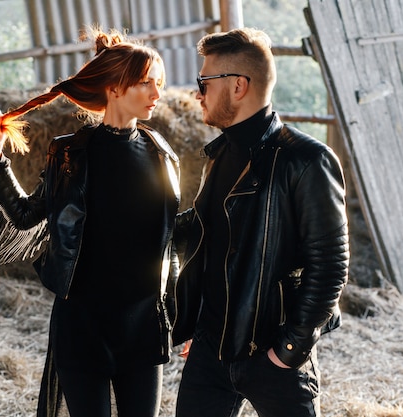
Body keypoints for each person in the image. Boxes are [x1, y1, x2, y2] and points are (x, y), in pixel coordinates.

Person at [0, 27, 181, 417]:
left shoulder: (162, 153)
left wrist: (180, 314)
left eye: (160, 83)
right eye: (145, 83)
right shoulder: (69, 154)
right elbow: (24, 216)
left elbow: (170, 241)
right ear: (114, 88)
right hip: (83, 326)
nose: (157, 94)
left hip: (142, 327)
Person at [171, 27, 350, 417]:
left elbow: (331, 267)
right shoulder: (220, 154)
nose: (197, 92)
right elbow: (206, 235)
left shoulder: (307, 161)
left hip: (275, 361)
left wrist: (287, 352)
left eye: (204, 81)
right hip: (210, 352)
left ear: (238, 86)